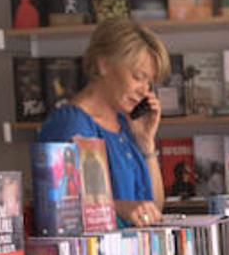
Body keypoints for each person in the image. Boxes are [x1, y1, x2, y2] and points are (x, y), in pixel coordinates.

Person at [37, 18, 169, 227]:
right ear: (104, 64)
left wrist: (147, 144)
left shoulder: (125, 124)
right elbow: (63, 211)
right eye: (138, 77)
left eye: (149, 82)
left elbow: (153, 209)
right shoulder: (71, 124)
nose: (145, 90)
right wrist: (120, 207)